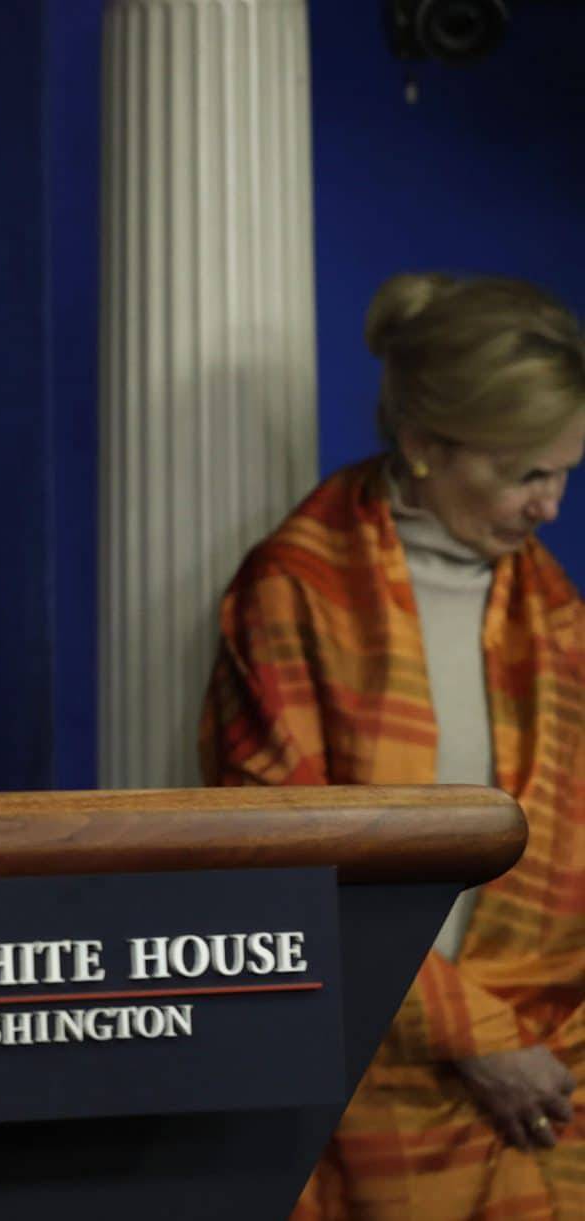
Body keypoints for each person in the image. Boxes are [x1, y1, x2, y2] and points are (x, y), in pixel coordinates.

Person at [202, 272, 585, 1218]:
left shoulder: (548, 604)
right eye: (525, 473)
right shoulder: (295, 593)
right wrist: (475, 1032)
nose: (552, 507)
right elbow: (282, 860)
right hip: (384, 1071)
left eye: (566, 471)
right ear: (421, 444)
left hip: (559, 1066)